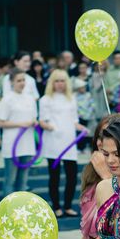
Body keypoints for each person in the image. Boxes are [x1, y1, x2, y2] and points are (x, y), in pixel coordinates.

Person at [39, 69, 84, 218]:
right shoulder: (45, 99)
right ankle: (56, 207)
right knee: (55, 177)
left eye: (62, 81)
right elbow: (42, 121)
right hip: (53, 142)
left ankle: (68, 206)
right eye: (57, 81)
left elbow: (75, 121)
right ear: (52, 83)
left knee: (72, 176)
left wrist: (83, 129)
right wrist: (51, 127)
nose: (60, 84)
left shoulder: (71, 99)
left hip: (69, 143)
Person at [0, 69, 38, 196]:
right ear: (11, 82)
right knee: (10, 179)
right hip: (12, 144)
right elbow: (0, 122)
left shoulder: (30, 98)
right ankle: (8, 207)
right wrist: (21, 124)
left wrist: (34, 122)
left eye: (23, 80)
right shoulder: (7, 99)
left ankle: (21, 206)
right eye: (19, 80)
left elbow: (34, 118)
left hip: (27, 143)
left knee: (23, 181)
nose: (22, 83)